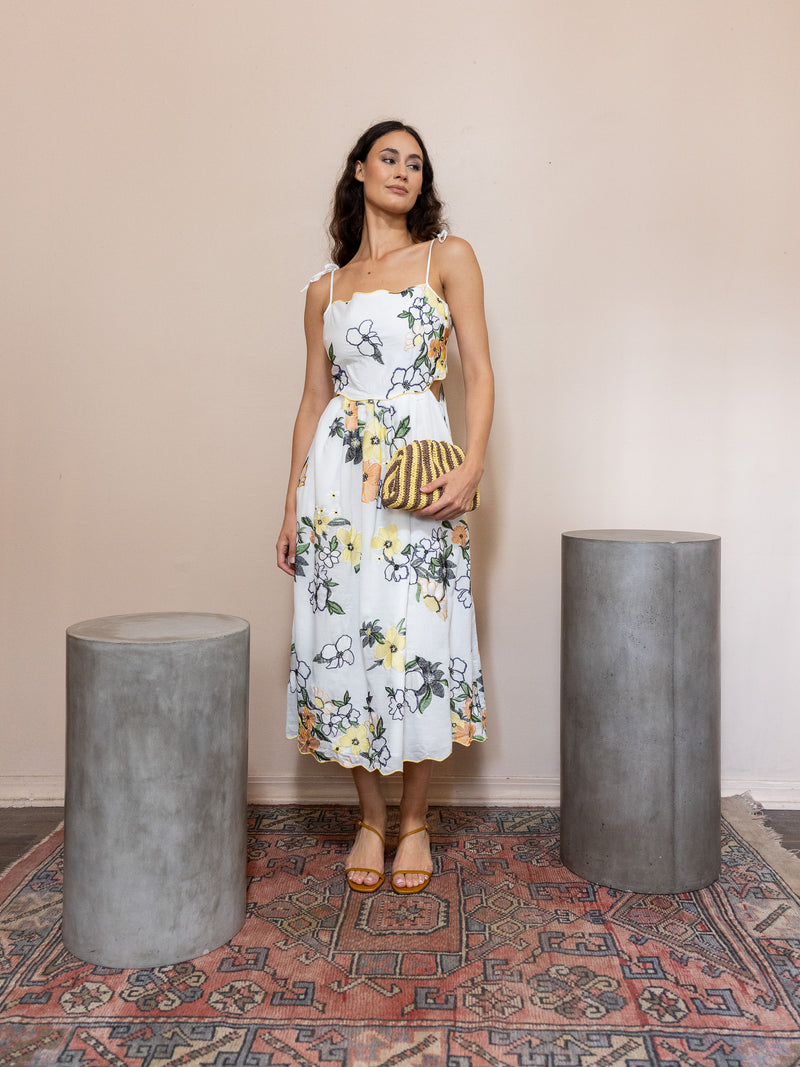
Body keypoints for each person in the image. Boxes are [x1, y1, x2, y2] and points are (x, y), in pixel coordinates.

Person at [277, 120, 494, 894]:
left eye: (416, 164)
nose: (403, 171)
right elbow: (313, 399)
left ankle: (416, 820)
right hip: (337, 484)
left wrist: (471, 463)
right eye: (389, 158)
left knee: (419, 639)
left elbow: (479, 371)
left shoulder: (448, 257)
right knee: (348, 637)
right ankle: (370, 818)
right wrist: (290, 505)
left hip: (419, 467)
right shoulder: (324, 289)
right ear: (360, 170)